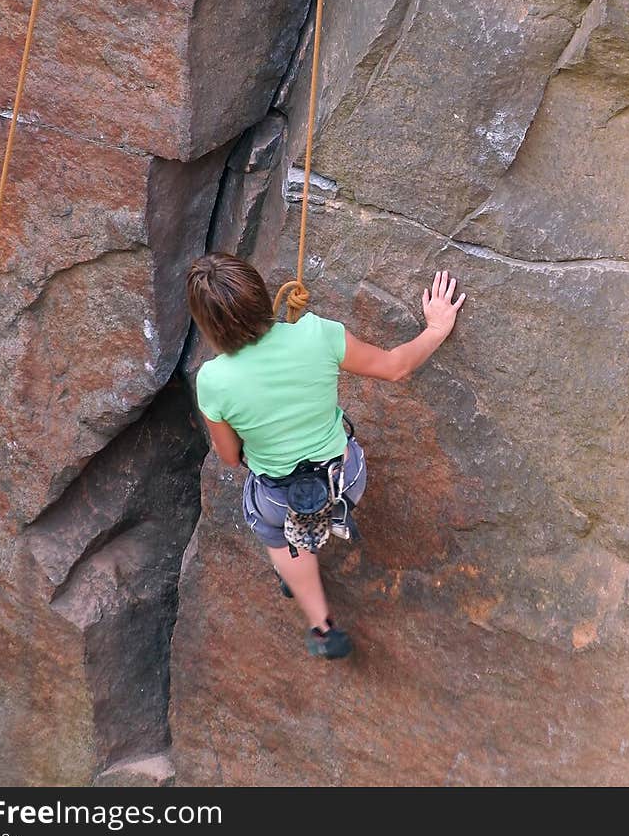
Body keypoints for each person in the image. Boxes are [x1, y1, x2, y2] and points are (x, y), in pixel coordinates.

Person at [186, 253, 466, 660]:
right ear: (261, 295)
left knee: (274, 531)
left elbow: (230, 457)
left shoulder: (213, 380)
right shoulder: (317, 333)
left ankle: (321, 624)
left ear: (208, 324)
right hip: (346, 481)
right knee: (306, 504)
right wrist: (437, 328)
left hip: (280, 501)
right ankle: (318, 531)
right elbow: (394, 367)